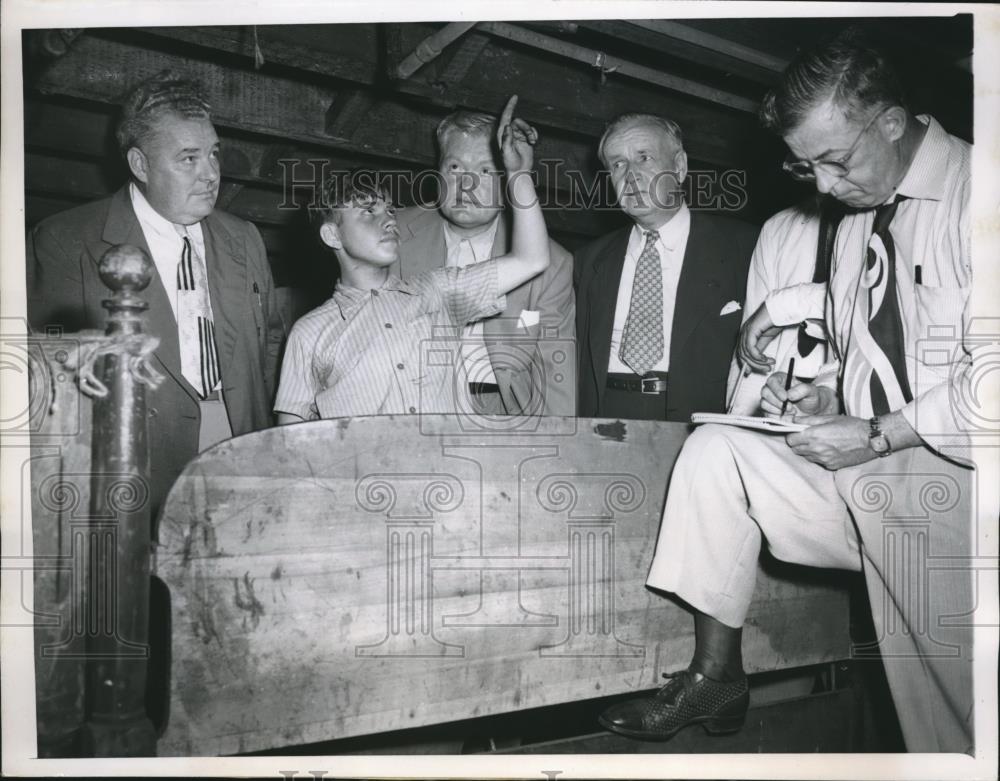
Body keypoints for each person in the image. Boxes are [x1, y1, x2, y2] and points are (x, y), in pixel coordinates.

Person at [598, 28, 976, 752]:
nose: (826, 187)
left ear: (891, 121)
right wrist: (831, 397)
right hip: (875, 471)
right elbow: (866, 343)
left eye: (834, 160)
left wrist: (876, 431)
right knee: (718, 453)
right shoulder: (865, 213)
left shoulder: (978, 195)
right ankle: (716, 674)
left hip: (959, 480)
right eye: (809, 168)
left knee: (953, 716)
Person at [26, 70, 285, 523]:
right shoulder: (67, 239)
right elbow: (51, 377)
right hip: (134, 453)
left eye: (213, 154)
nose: (210, 174)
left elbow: (268, 347)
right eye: (188, 159)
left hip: (240, 439)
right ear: (140, 165)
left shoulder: (244, 237)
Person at [274, 97, 552, 422]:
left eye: (390, 210)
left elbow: (532, 258)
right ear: (332, 236)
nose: (390, 219)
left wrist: (518, 174)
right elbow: (291, 443)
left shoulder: (438, 292)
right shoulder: (309, 333)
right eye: (368, 212)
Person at [575, 113, 758, 422]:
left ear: (680, 166)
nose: (630, 175)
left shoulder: (746, 247)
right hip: (606, 416)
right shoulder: (587, 260)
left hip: (700, 424)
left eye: (643, 157)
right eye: (618, 164)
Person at [394, 109, 575, 417]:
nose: (465, 186)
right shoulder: (392, 235)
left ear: (507, 181)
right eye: (454, 167)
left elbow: (556, 375)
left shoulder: (553, 263)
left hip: (501, 413)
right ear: (437, 171)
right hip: (405, 408)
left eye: (485, 171)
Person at [726, 195, 844, 415]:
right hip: (775, 400)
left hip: (845, 407)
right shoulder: (777, 227)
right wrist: (739, 415)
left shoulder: (881, 223)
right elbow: (753, 341)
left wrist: (786, 307)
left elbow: (859, 302)